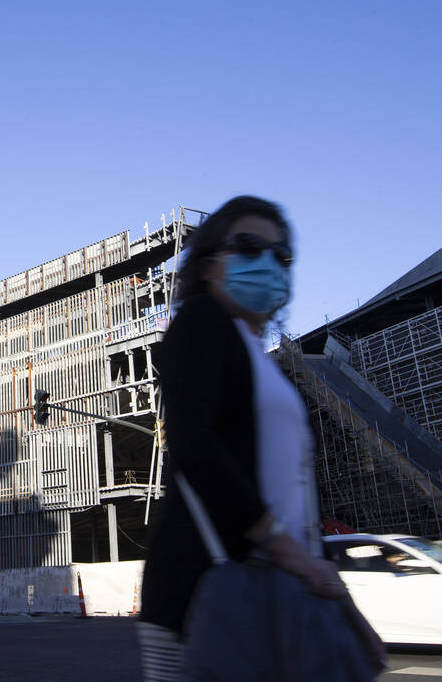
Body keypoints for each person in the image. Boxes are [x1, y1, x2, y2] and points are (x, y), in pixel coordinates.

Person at [138, 196, 385, 681]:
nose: (268, 262)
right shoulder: (201, 323)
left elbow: (297, 504)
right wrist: (290, 554)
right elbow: (197, 449)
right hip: (203, 596)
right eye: (249, 246)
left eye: (281, 255)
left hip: (284, 588)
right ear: (210, 265)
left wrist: (346, 607)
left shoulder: (258, 356)